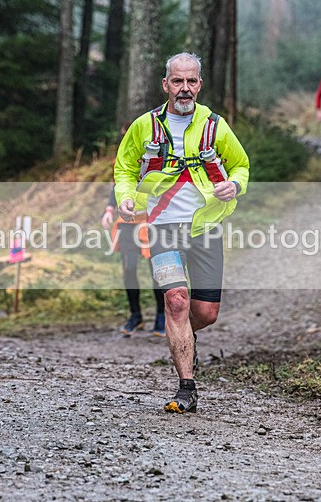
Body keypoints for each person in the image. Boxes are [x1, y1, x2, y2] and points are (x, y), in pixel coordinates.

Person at [113, 52, 250, 414]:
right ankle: (186, 387)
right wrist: (126, 199)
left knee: (205, 313)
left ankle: (183, 338)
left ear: (199, 85)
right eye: (177, 81)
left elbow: (241, 166)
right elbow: (124, 168)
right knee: (176, 300)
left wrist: (234, 186)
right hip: (162, 227)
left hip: (205, 227)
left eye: (191, 81)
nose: (184, 88)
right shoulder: (145, 125)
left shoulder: (215, 125)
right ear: (166, 84)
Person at [101, 187, 166, 337]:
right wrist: (109, 209)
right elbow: (118, 184)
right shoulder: (127, 164)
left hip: (151, 221)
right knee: (129, 269)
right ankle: (135, 316)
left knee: (156, 270)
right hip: (127, 223)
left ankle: (161, 316)